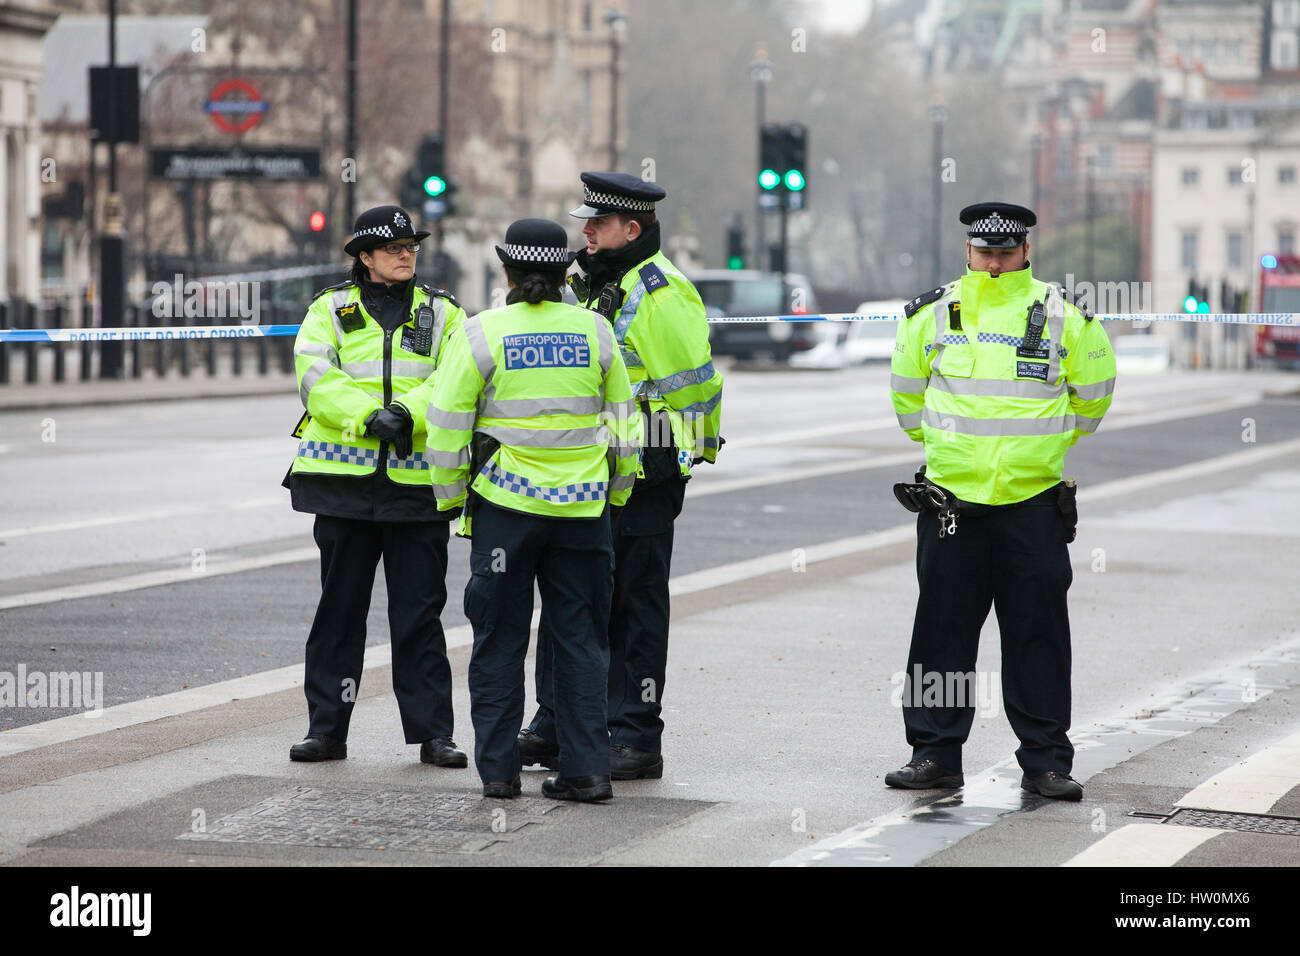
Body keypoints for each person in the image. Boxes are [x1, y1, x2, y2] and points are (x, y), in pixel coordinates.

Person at [885, 201, 1116, 801]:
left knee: (1037, 637)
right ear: (967, 251)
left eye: (1005, 252)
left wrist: (1041, 448)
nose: (993, 262)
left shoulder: (1064, 315)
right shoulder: (932, 315)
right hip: (952, 505)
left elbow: (1092, 398)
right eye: (984, 251)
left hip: (1032, 506)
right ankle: (933, 753)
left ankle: (1045, 763)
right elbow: (908, 402)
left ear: (1025, 252)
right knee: (941, 635)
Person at [519, 172, 723, 781]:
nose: (585, 232)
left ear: (631, 229)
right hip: (583, 468)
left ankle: (636, 734)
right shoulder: (588, 285)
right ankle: (558, 721)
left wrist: (680, 458)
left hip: (644, 474)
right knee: (569, 600)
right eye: (586, 222)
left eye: (598, 224)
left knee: (634, 611)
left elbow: (696, 391)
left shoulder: (662, 294)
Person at [426, 218, 639, 801]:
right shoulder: (596, 332)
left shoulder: (481, 333)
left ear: (507, 272)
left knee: (499, 640)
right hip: (582, 515)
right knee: (581, 642)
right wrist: (613, 493)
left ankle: (499, 775)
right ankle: (588, 773)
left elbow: (445, 427)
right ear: (566, 271)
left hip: (504, 513)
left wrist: (449, 499)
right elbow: (625, 427)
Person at [285, 204, 468, 768]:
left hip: (416, 489)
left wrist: (407, 414)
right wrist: (369, 418)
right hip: (343, 486)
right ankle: (327, 730)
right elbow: (314, 375)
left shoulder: (443, 312)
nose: (406, 254)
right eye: (394, 248)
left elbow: (455, 374)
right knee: (340, 612)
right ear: (365, 257)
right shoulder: (329, 309)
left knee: (419, 613)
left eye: (411, 246)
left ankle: (433, 734)